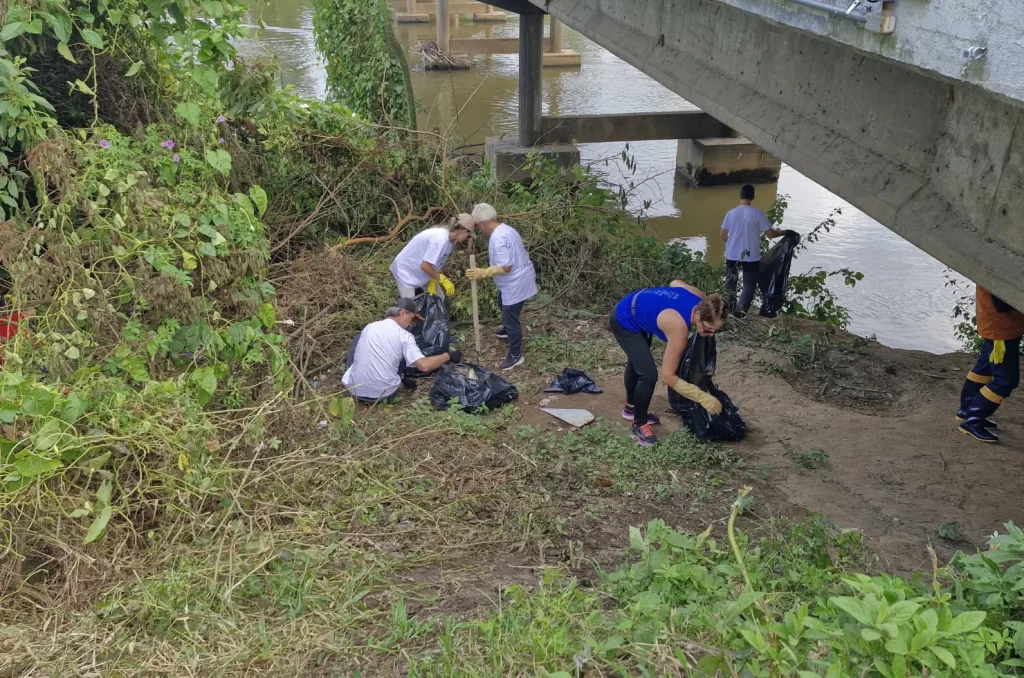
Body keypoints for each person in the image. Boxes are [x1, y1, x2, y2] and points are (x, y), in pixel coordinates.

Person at [610, 281, 728, 447]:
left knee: (638, 363)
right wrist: (702, 397)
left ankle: (630, 408)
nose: (710, 334)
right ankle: (639, 424)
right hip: (624, 318)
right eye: (708, 329)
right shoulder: (679, 328)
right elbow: (667, 376)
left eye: (715, 331)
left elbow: (675, 283)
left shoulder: (701, 299)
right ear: (699, 316)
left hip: (639, 308)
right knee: (648, 374)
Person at [342, 298, 461, 403]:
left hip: (355, 390)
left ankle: (396, 377)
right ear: (403, 313)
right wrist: (448, 355)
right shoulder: (404, 335)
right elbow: (424, 366)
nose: (411, 324)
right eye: (412, 318)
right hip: (384, 393)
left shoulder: (370, 327)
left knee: (360, 341)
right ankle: (398, 378)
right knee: (403, 352)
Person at [465, 203, 537, 371]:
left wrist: (484, 272)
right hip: (517, 279)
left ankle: (515, 355)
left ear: (481, 224)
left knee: (510, 317)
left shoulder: (498, 238)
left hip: (516, 281)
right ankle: (506, 329)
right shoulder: (505, 229)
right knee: (501, 301)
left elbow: (506, 267)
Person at [957, 286, 1024, 443]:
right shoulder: (1001, 267)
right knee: (1007, 380)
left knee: (984, 368)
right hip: (1002, 329)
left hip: (996, 325)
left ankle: (966, 411)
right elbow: (1003, 302)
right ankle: (972, 420)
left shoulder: (996, 263)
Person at [720, 184, 785, 316]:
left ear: (740, 196)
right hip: (751, 258)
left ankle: (728, 310)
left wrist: (732, 243)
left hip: (732, 255)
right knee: (748, 286)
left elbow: (722, 235)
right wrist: (785, 232)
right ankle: (740, 312)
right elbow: (771, 234)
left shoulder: (731, 213)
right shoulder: (758, 213)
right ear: (753, 197)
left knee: (730, 284)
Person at [390, 214, 474, 299]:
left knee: (439, 298)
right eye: (469, 236)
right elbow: (425, 266)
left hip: (423, 272)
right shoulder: (440, 239)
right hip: (406, 271)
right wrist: (442, 279)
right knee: (410, 308)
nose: (467, 238)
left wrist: (434, 278)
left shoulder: (450, 241)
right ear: (464, 231)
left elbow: (437, 261)